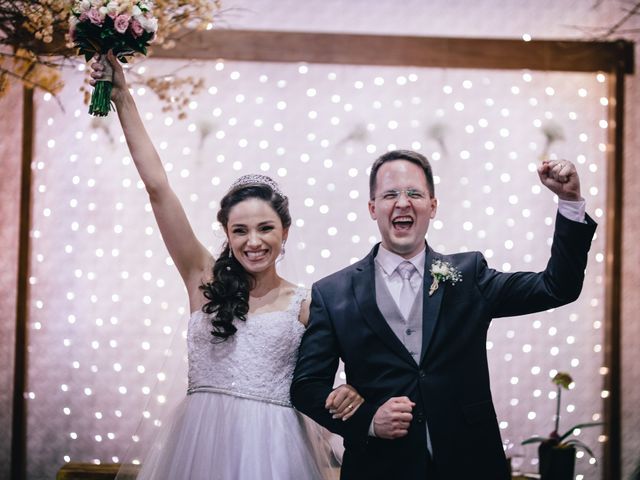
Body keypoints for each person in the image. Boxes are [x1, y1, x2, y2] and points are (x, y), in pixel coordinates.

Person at [90, 52, 363, 480]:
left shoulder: (307, 302)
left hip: (276, 451)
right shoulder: (202, 278)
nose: (253, 242)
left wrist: (353, 388)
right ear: (226, 233)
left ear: (285, 232)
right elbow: (158, 187)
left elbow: (362, 361)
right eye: (240, 231)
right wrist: (124, 97)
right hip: (199, 445)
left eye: (265, 228)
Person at [291, 149, 597, 479]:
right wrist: (368, 421)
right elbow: (306, 387)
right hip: (378, 466)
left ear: (432, 206)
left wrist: (569, 201)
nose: (403, 203)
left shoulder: (470, 275)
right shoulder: (333, 292)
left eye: (414, 193)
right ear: (372, 208)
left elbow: (557, 287)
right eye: (390, 194)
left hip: (470, 462)